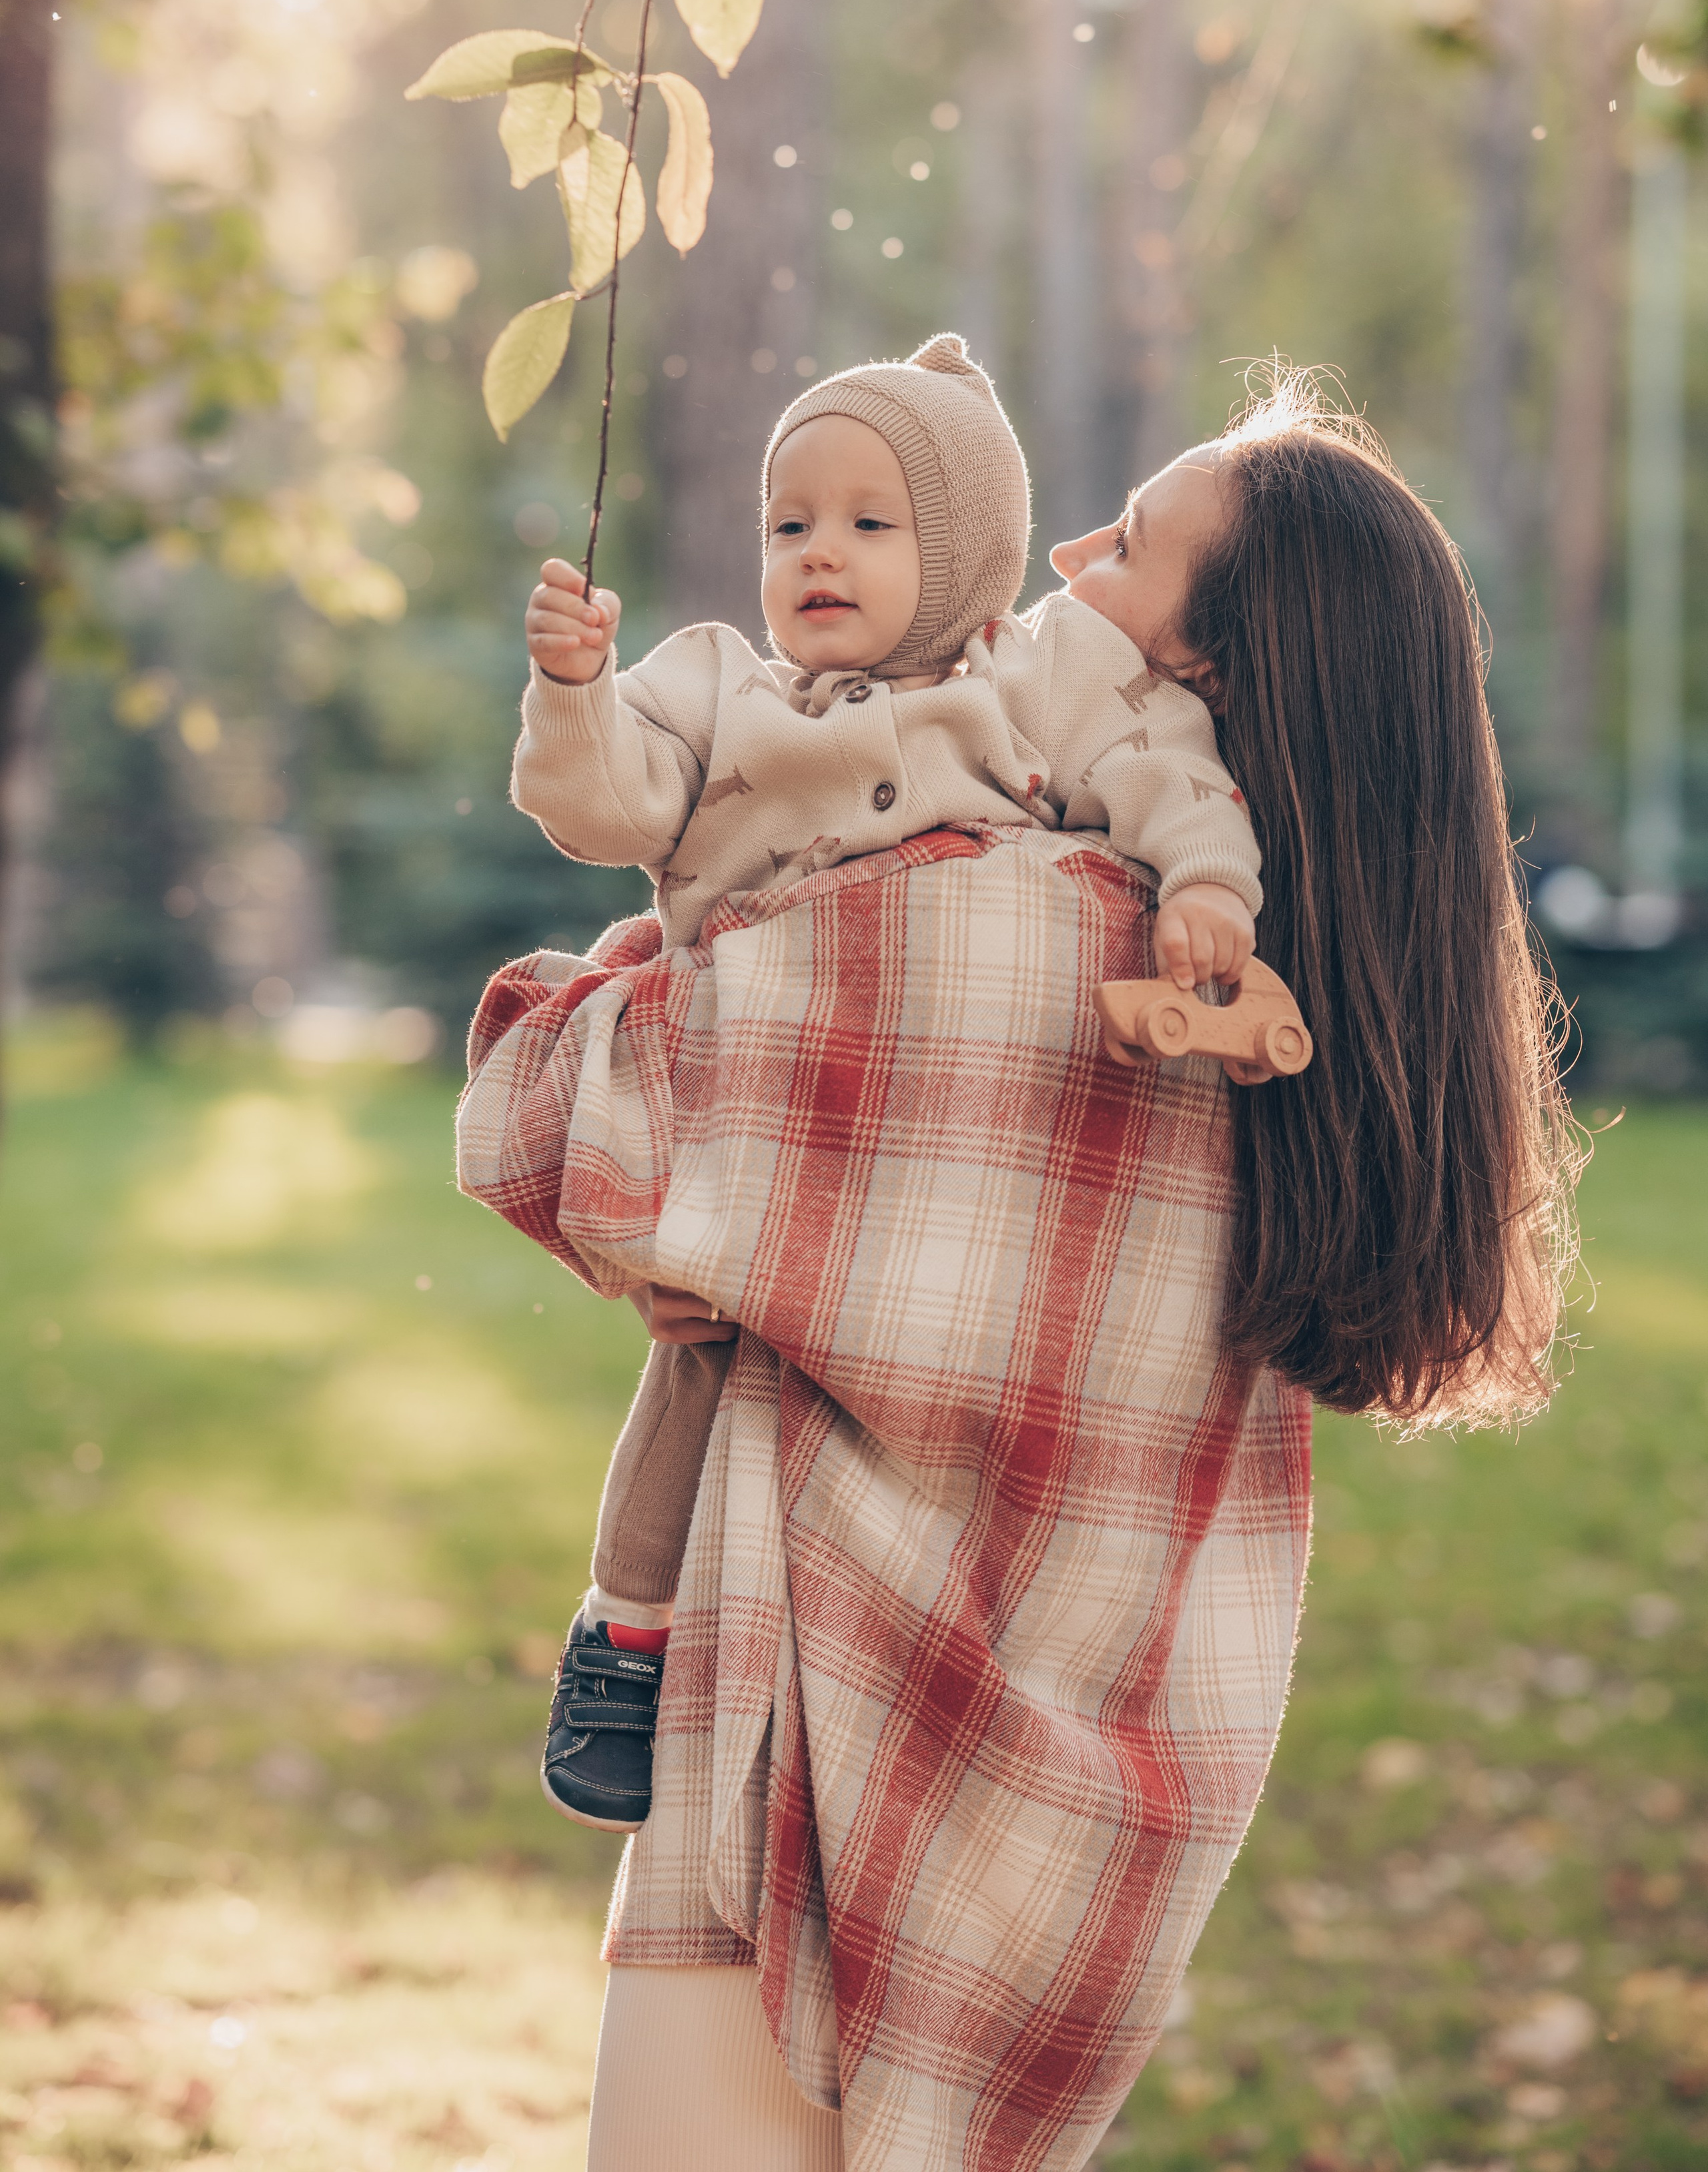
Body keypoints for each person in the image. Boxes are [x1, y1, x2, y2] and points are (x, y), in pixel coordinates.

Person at [458, 370, 1574, 2170]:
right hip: (1085, 1804)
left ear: (1200, 678)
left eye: (1125, 547)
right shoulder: (1257, 1031)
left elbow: (559, 1117)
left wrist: (616, 1021)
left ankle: (622, 1615)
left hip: (813, 1758)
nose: (1060, 559)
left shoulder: (1018, 939)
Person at [508, 333, 1263, 1831]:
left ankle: (958, 1675)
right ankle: (625, 1630)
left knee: (915, 1397)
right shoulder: (717, 687)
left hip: (929, 1134)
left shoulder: (1033, 679)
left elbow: (1165, 765)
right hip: (763, 1095)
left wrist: (1208, 892)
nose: (818, 555)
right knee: (701, 1353)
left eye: (871, 522)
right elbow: (601, 807)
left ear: (971, 555)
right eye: (790, 523)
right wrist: (573, 687)